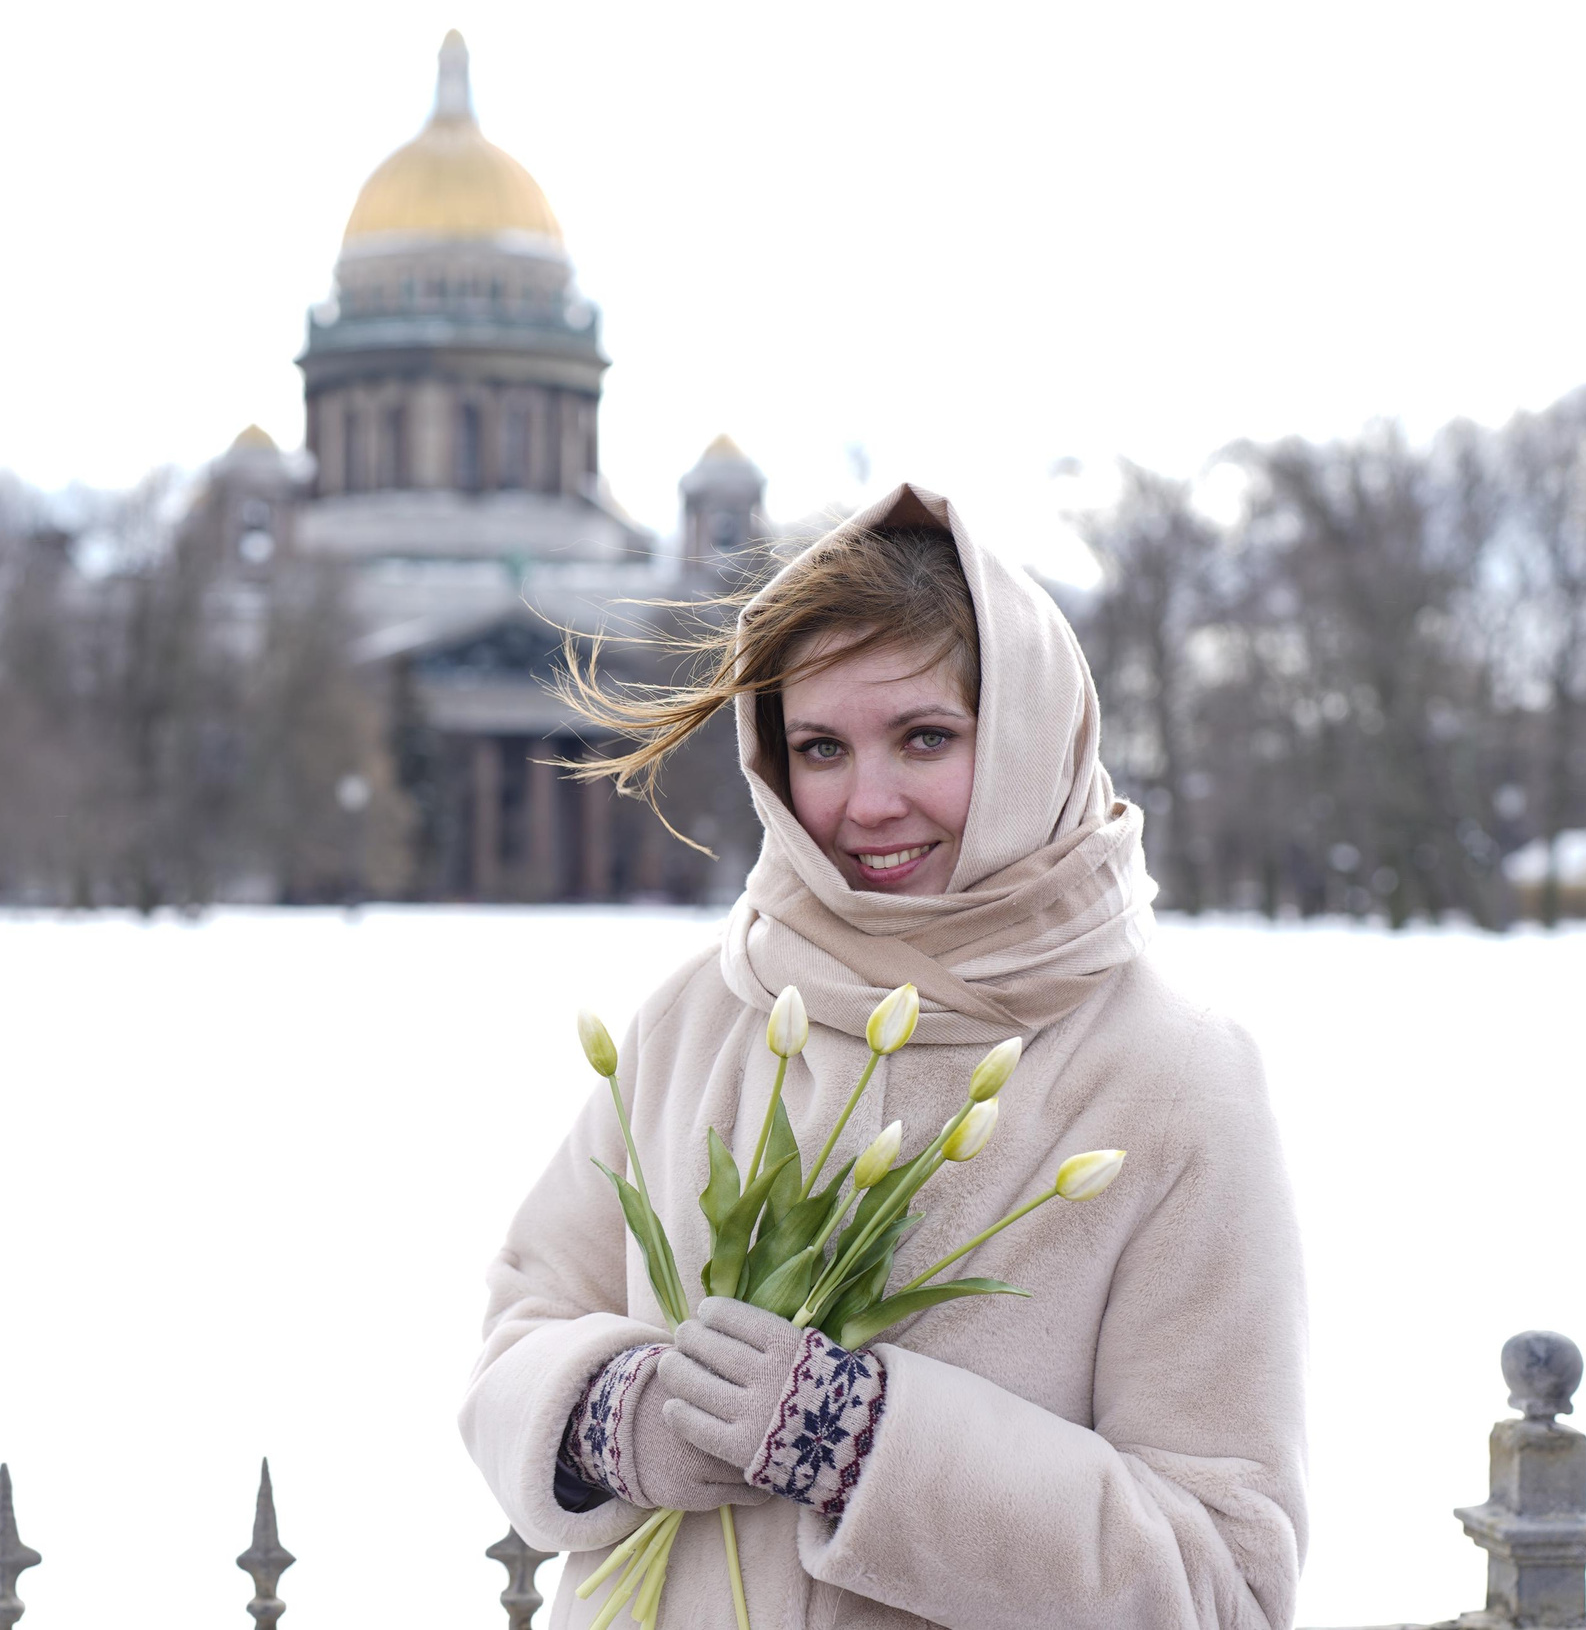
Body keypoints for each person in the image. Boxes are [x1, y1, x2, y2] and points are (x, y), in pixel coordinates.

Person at [458, 485, 1307, 1629]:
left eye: (924, 738)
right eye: (820, 747)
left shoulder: (1170, 1080)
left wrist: (859, 1443)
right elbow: (525, 1318)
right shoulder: (703, 1012)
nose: (866, 804)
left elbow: (1222, 1581)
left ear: (1025, 738)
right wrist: (613, 1416)